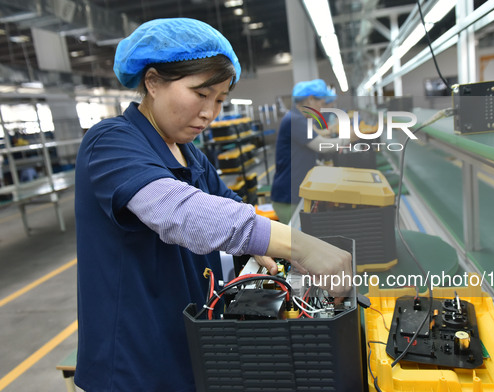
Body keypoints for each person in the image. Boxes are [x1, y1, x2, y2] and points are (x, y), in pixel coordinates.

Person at [74, 18, 351, 392]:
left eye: (220, 100)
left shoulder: (190, 153)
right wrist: (302, 245)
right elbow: (180, 212)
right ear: (153, 82)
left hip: (190, 342)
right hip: (134, 360)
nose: (211, 113)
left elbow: (232, 206)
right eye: (201, 94)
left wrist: (284, 258)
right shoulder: (110, 141)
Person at [270, 79, 349, 223]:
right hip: (289, 196)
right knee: (295, 241)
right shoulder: (295, 120)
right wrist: (350, 139)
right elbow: (321, 146)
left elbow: (310, 144)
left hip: (291, 192)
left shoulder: (298, 118)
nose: (322, 107)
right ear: (311, 100)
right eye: (321, 102)